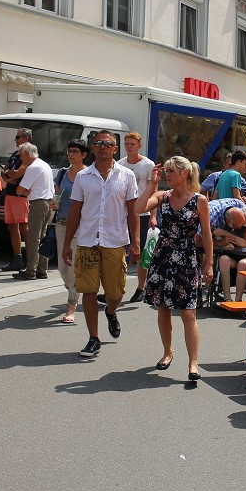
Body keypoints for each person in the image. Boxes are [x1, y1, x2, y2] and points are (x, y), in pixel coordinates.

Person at [61, 132, 139, 357]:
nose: (103, 147)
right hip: (87, 241)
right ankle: (93, 338)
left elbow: (132, 210)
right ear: (93, 149)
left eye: (108, 144)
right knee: (88, 290)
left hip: (115, 241)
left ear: (115, 149)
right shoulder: (83, 177)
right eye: (98, 144)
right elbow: (75, 211)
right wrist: (67, 243)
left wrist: (136, 242)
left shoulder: (126, 176)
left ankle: (111, 312)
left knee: (115, 293)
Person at [137, 157, 213, 381]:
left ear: (184, 173)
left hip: (187, 257)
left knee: (189, 313)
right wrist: (152, 184)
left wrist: (208, 262)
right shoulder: (162, 197)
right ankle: (167, 352)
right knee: (163, 308)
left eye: (170, 171)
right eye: (166, 171)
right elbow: (138, 208)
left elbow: (206, 234)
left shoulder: (200, 200)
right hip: (163, 256)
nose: (167, 174)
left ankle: (193, 363)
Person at [52, 139, 88, 323]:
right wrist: (53, 203)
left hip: (81, 226)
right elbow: (56, 195)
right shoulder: (62, 173)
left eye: (75, 151)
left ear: (84, 154)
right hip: (61, 223)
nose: (71, 154)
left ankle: (71, 306)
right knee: (62, 267)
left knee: (73, 266)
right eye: (69, 151)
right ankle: (74, 289)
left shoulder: (89, 174)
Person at [119, 131, 155, 302]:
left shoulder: (147, 165)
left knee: (139, 252)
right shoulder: (120, 164)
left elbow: (153, 191)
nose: (129, 147)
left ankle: (141, 287)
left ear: (139, 145)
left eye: (132, 144)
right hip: (123, 213)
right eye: (127, 144)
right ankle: (118, 287)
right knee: (120, 250)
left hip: (142, 212)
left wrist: (153, 215)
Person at [11, 142, 55, 281]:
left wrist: (25, 191)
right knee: (42, 238)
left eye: (21, 154)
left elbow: (19, 190)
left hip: (38, 203)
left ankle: (31, 270)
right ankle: (42, 270)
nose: (20, 158)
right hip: (48, 202)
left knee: (33, 239)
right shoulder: (44, 164)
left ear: (26, 154)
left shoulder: (33, 167)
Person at [0, 128, 33, 271]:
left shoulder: (29, 154)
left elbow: (19, 172)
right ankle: (17, 258)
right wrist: (9, 176)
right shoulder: (15, 154)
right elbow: (5, 171)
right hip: (10, 194)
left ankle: (32, 257)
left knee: (23, 227)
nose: (15, 140)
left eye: (18, 137)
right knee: (12, 226)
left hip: (22, 196)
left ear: (26, 138)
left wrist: (10, 175)